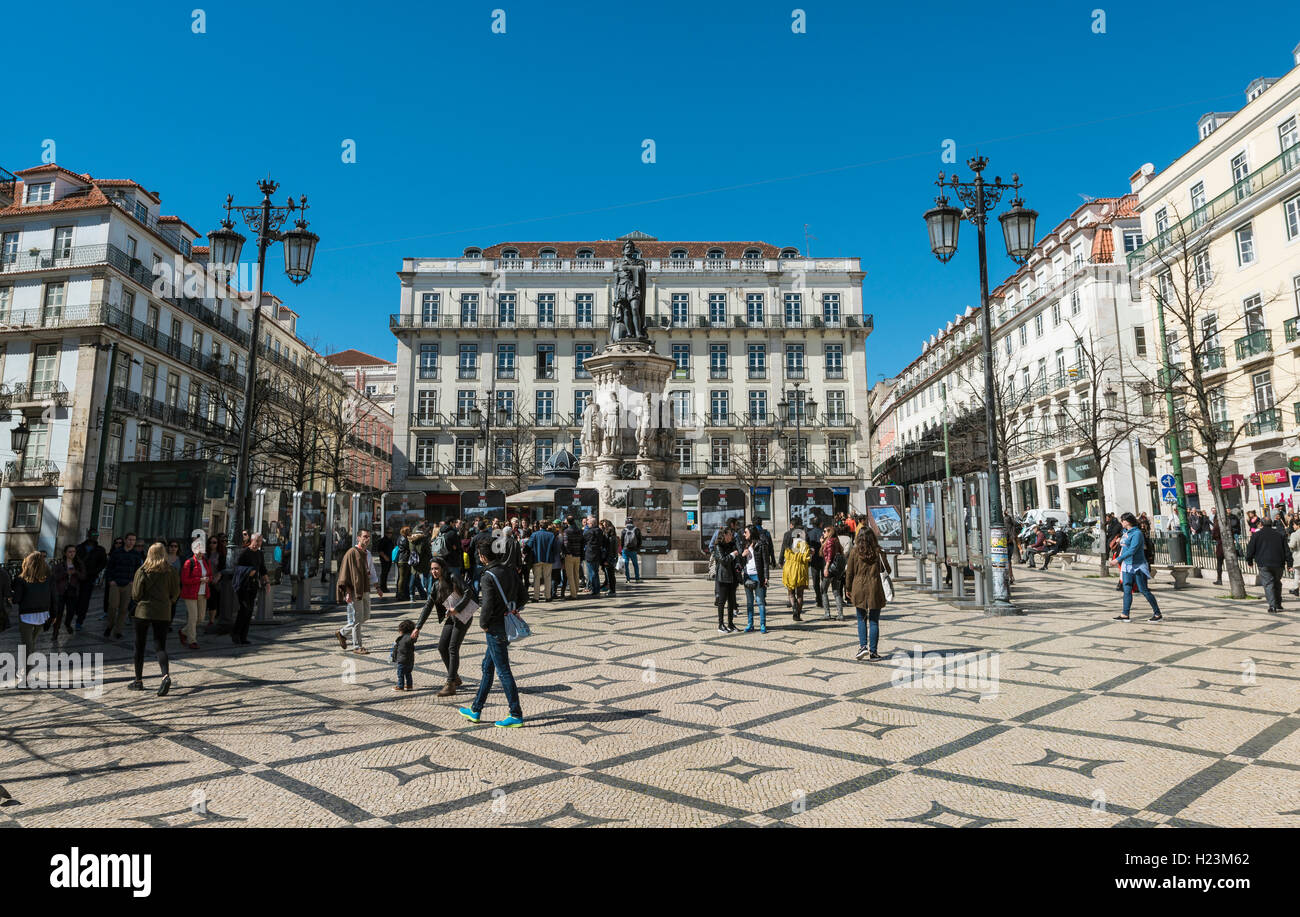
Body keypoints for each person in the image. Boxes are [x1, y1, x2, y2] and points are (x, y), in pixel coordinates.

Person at [458, 540, 525, 728]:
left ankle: (516, 714)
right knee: (487, 666)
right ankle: (476, 709)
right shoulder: (510, 570)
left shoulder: (488, 576)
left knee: (503, 671)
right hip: (507, 624)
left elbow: (486, 605)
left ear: (483, 556)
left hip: (494, 627)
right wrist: (514, 609)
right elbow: (523, 596)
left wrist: (483, 624)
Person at [414, 557, 472, 697]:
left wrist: (457, 609)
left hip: (463, 616)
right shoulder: (435, 586)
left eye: (437, 568)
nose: (434, 571)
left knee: (452, 647)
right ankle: (455, 677)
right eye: (432, 569)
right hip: (451, 617)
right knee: (441, 647)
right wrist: (418, 627)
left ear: (442, 568)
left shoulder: (453, 577)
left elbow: (468, 592)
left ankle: (451, 683)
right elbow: (428, 606)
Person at [128, 542, 181, 695]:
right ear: (164, 553)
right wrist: (168, 602)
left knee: (139, 646)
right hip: (163, 612)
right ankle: (165, 676)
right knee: (160, 646)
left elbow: (136, 595)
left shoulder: (142, 570)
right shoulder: (171, 571)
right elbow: (176, 592)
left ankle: (138, 681)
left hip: (143, 612)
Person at [844, 526, 891, 661]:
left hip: (858, 587)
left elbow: (850, 572)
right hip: (875, 588)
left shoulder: (854, 552)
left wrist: (848, 588)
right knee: (874, 621)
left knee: (861, 619)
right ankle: (874, 652)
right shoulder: (879, 552)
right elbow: (888, 570)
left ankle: (863, 646)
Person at [336, 528, 382, 654]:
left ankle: (342, 632)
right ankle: (357, 646)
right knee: (357, 618)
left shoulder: (368, 553)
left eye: (368, 537)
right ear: (358, 538)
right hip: (355, 590)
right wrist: (347, 592)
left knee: (366, 615)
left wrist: (377, 587)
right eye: (364, 537)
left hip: (365, 587)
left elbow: (371, 571)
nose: (367, 539)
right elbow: (345, 574)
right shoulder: (351, 552)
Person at [13, 552, 54, 683]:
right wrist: (53, 614)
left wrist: (11, 597)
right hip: (42, 614)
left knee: (27, 645)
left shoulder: (21, 579)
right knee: (32, 643)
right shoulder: (48, 579)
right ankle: (25, 670)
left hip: (26, 615)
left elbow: (16, 599)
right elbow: (54, 597)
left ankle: (25, 672)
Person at [1113, 512, 1161, 622]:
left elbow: (1132, 550)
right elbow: (1125, 547)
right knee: (1127, 589)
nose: (1121, 523)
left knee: (1143, 590)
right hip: (1127, 565)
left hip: (1138, 565)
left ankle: (1157, 613)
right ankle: (1125, 614)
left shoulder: (1137, 534)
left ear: (1128, 522)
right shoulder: (1125, 532)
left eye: (1122, 520)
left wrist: (1117, 560)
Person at [1245, 517, 1291, 614]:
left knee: (1268, 584)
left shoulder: (1256, 535)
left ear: (1261, 524)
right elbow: (1287, 550)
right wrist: (1289, 563)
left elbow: (1250, 549)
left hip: (1263, 563)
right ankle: (1278, 603)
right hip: (1278, 563)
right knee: (1277, 583)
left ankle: (1272, 605)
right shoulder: (1280, 534)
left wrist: (1249, 561)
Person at [104, 532, 143, 639]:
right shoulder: (117, 552)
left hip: (128, 584)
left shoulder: (136, 554)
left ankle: (118, 631)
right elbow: (109, 568)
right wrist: (110, 580)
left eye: (133, 540)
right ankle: (110, 625)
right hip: (115, 583)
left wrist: (133, 582)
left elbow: (138, 570)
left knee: (123, 609)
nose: (131, 542)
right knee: (112, 606)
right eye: (130, 539)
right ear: (125, 540)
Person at [232, 533, 269, 645]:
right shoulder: (244, 552)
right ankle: (236, 634)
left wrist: (267, 582)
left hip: (253, 585)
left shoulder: (259, 553)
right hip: (243, 585)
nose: (258, 543)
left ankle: (244, 636)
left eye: (260, 541)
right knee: (244, 609)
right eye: (257, 541)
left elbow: (262, 569)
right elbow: (237, 568)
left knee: (249, 611)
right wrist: (248, 571)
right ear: (252, 540)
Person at [179, 534, 213, 650]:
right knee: (193, 618)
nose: (200, 551)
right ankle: (192, 640)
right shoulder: (189, 562)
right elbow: (184, 580)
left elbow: (210, 575)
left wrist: (208, 579)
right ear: (193, 550)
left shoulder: (206, 561)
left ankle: (183, 631)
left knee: (201, 618)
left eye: (202, 549)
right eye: (198, 549)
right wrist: (199, 580)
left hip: (203, 593)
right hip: (190, 593)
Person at [49, 544, 86, 643]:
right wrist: (66, 573)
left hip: (73, 591)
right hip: (61, 592)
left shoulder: (79, 564)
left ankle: (67, 624)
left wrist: (76, 572)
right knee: (59, 613)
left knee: (71, 612)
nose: (72, 553)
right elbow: (54, 578)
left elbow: (83, 577)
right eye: (70, 551)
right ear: (65, 553)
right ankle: (55, 633)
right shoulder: (59, 565)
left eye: (74, 551)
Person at [739, 524, 770, 633]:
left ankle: (762, 624)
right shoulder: (745, 545)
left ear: (751, 533)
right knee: (749, 602)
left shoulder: (761, 545)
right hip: (747, 575)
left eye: (746, 532)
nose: (744, 534)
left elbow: (766, 562)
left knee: (760, 601)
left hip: (758, 575)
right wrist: (743, 555)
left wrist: (766, 577)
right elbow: (741, 562)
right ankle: (750, 624)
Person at [75, 530, 107, 634]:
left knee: (85, 599)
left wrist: (95, 572)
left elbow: (103, 563)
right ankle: (76, 612)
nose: (95, 537)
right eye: (93, 535)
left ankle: (80, 620)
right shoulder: (79, 548)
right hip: (77, 577)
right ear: (88, 535)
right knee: (75, 598)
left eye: (97, 535)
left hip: (90, 578)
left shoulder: (100, 550)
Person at [712, 526, 741, 633]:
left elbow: (738, 557)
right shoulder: (718, 546)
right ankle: (720, 624)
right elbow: (723, 560)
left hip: (733, 576)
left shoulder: (732, 545)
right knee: (722, 601)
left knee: (732, 601)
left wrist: (737, 561)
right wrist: (733, 555)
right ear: (724, 535)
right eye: (729, 534)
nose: (731, 536)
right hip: (723, 577)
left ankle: (730, 624)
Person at [782, 523, 812, 621]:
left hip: (789, 568)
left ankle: (794, 607)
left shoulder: (788, 543)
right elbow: (807, 558)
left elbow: (785, 556)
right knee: (800, 593)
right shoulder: (804, 545)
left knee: (790, 592)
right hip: (800, 568)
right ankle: (797, 614)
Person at [527, 521, 558, 602]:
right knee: (548, 578)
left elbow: (529, 546)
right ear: (546, 526)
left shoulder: (534, 534)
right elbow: (555, 548)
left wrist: (524, 552)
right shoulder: (551, 535)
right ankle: (548, 596)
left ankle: (536, 597)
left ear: (539, 526)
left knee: (537, 578)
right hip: (548, 559)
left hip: (537, 559)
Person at [822, 525, 848, 621]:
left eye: (825, 531)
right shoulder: (836, 541)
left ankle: (827, 613)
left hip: (830, 569)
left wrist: (826, 568)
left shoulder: (829, 542)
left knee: (823, 590)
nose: (823, 533)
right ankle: (840, 614)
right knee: (836, 591)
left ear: (830, 532)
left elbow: (829, 557)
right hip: (837, 570)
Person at [561, 516, 584, 599]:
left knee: (570, 575)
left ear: (567, 521)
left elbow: (566, 544)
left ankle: (573, 594)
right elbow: (582, 543)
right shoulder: (579, 531)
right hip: (578, 554)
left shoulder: (566, 531)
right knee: (576, 574)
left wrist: (567, 552)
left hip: (570, 555)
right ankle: (576, 591)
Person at [391, 620, 416, 692]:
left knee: (400, 674)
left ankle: (400, 686)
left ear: (402, 630)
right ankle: (409, 685)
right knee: (408, 673)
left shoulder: (406, 638)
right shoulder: (407, 638)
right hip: (410, 660)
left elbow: (411, 639)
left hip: (402, 660)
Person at [582, 516, 604, 597]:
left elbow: (583, 540)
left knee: (592, 573)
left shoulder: (589, 532)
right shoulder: (600, 531)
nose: (587, 525)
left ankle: (595, 589)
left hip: (590, 554)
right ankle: (597, 588)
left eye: (588, 523)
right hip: (597, 554)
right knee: (595, 572)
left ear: (592, 523)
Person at [600, 520, 620, 597]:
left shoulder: (611, 538)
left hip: (610, 559)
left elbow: (611, 550)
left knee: (611, 575)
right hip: (611, 558)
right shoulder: (613, 537)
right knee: (611, 575)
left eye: (606, 527)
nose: (605, 529)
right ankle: (612, 589)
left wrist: (607, 560)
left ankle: (612, 590)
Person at [394, 526, 412, 601]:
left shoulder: (401, 538)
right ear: (406, 532)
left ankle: (400, 593)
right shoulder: (404, 539)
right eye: (409, 531)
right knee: (402, 578)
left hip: (402, 559)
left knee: (402, 578)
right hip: (403, 560)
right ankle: (400, 594)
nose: (410, 532)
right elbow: (408, 548)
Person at [621, 518, 643, 583]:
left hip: (625, 549)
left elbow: (622, 541)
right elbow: (640, 540)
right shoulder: (636, 529)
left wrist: (623, 548)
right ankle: (637, 578)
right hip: (633, 550)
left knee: (626, 564)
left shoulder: (624, 530)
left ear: (626, 523)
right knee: (635, 564)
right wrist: (637, 548)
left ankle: (628, 579)